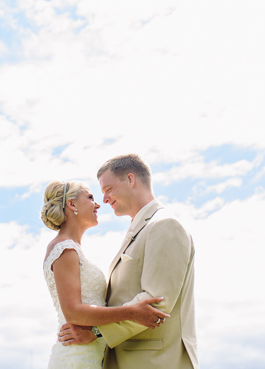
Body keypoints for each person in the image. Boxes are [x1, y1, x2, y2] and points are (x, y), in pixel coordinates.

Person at [56, 154, 200, 369]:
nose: (104, 199)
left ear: (130, 180)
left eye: (108, 189)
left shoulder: (164, 225)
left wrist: (95, 332)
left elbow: (155, 303)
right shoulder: (140, 229)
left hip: (155, 362)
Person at [40, 180, 169, 369]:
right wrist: (132, 312)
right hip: (77, 357)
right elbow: (73, 311)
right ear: (72, 204)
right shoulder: (64, 249)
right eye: (90, 198)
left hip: (91, 353)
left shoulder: (73, 250)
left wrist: (97, 332)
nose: (98, 204)